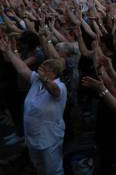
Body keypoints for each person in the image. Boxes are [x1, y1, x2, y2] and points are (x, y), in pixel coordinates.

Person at [0, 37, 67, 175]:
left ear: (53, 74)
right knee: (39, 167)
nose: (40, 69)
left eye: (44, 68)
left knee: (53, 170)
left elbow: (54, 91)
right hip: (32, 137)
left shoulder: (60, 86)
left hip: (49, 139)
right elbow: (22, 68)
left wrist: (44, 79)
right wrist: (9, 51)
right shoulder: (37, 80)